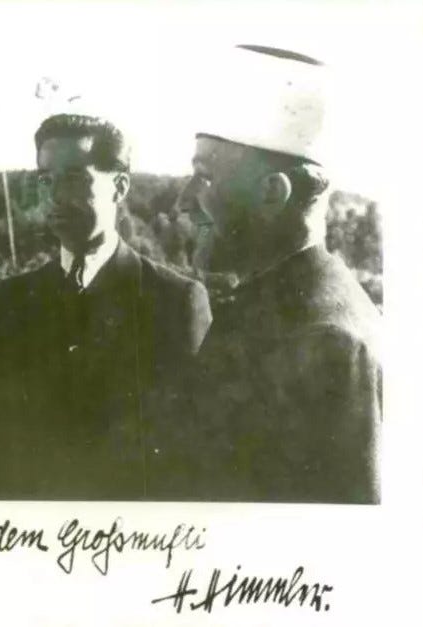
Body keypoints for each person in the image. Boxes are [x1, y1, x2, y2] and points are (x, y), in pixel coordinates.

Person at [152, 45, 382, 503]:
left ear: (273, 193)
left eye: (204, 176)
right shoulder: (281, 306)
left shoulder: (329, 341)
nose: (182, 201)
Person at [0, 114, 212, 500]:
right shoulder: (15, 299)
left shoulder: (175, 301)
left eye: (74, 179)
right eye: (46, 180)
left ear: (119, 187)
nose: (55, 196)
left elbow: (191, 462)